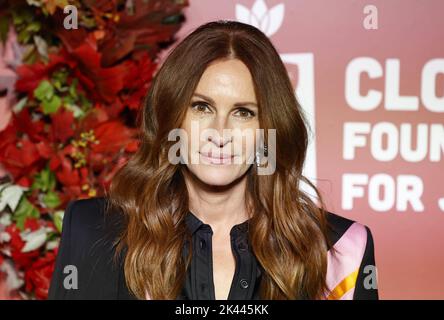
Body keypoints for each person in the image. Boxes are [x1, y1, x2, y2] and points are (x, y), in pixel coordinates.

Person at [48, 20, 378, 300]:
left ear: (268, 130)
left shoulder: (339, 252)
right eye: (201, 107)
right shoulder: (95, 231)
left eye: (243, 112)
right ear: (172, 116)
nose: (220, 132)